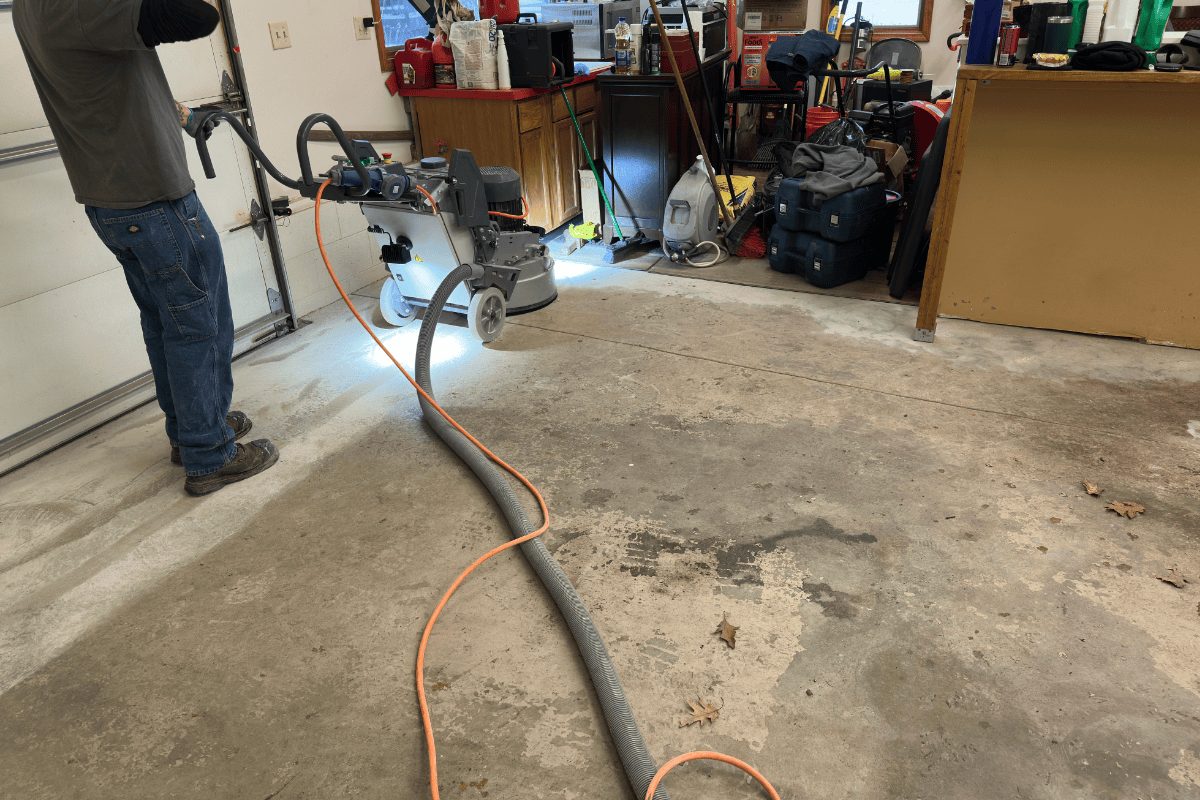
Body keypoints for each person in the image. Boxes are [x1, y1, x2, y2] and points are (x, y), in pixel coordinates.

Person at [14, 0, 279, 496]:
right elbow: (197, 17)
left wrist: (176, 111)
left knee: (166, 323)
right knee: (197, 326)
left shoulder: (32, 7)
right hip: (154, 201)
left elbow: (111, 75)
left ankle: (192, 430)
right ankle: (210, 454)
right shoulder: (76, 6)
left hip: (115, 200)